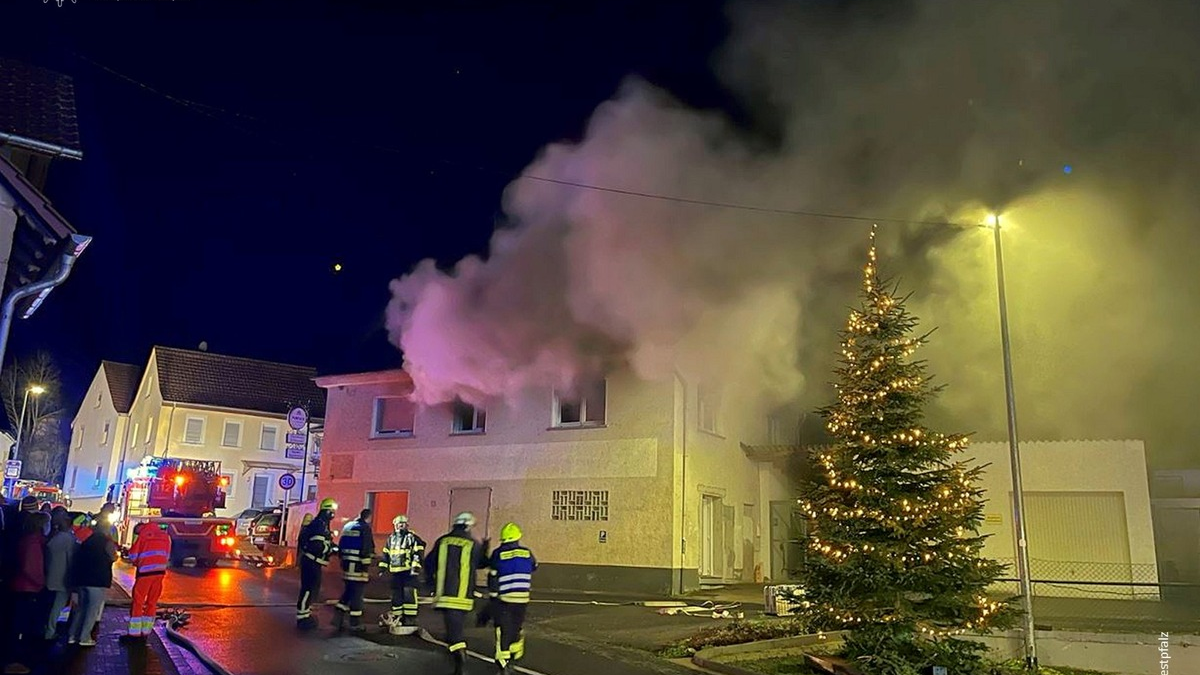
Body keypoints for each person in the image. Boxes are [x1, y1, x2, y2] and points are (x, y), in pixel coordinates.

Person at [425, 512, 488, 675]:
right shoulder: (472, 544)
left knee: (453, 631)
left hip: (444, 594)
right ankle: (458, 656)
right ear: (467, 526)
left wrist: (431, 582)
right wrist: (485, 548)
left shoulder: (442, 541)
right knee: (455, 629)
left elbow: (429, 563)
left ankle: (459, 656)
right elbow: (481, 564)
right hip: (463, 596)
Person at [488, 522, 537, 673]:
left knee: (503, 629)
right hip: (522, 598)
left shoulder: (498, 553)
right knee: (516, 626)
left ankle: (503, 660)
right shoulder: (527, 553)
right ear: (518, 537)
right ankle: (514, 655)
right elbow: (534, 566)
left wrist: (493, 595)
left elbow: (493, 574)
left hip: (505, 599)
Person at [4, 511, 49, 674]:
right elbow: (30, 568)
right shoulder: (33, 543)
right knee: (22, 625)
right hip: (28, 589)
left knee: (19, 624)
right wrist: (41, 582)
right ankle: (16, 661)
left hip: (23, 587)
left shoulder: (28, 540)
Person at [68, 523, 116, 647]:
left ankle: (72, 635)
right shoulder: (107, 543)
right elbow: (113, 557)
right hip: (97, 580)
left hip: (82, 579)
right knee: (92, 610)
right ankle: (85, 637)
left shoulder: (86, 542)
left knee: (81, 608)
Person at [378, 515, 425, 628]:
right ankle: (398, 618)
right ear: (394, 525)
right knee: (396, 597)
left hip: (408, 573)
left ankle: (410, 619)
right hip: (395, 573)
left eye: (402, 524)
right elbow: (386, 555)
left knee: (409, 596)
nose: (400, 526)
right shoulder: (391, 539)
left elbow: (418, 554)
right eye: (398, 524)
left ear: (406, 525)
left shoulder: (412, 538)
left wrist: (415, 568)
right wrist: (382, 568)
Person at [295, 500, 336, 631]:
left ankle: (306, 614)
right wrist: (330, 550)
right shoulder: (319, 525)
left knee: (312, 589)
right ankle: (302, 618)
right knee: (308, 589)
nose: (333, 514)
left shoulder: (322, 524)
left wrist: (334, 548)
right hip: (311, 562)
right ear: (327, 511)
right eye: (332, 512)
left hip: (313, 562)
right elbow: (317, 545)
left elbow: (324, 542)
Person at [126, 522, 171, 638]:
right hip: (160, 573)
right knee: (152, 602)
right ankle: (146, 631)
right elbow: (167, 555)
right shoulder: (165, 536)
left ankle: (134, 633)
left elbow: (133, 556)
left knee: (138, 602)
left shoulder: (143, 536)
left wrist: (135, 560)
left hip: (145, 573)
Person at [333, 509, 374, 633]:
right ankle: (355, 622)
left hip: (346, 564)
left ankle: (338, 616)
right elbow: (366, 547)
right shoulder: (364, 528)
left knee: (349, 591)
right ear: (369, 517)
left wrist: (342, 560)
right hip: (358, 566)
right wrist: (366, 566)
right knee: (357, 594)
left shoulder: (348, 526)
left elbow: (341, 544)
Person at [44, 507, 77, 640]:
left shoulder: (52, 537)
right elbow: (71, 560)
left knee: (51, 607)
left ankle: (47, 630)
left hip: (50, 577)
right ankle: (50, 632)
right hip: (63, 579)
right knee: (57, 608)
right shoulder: (69, 539)